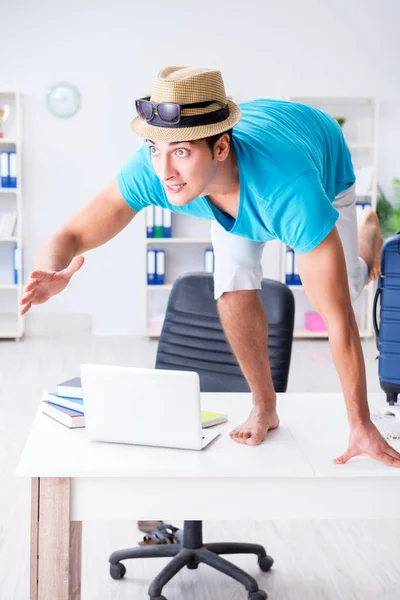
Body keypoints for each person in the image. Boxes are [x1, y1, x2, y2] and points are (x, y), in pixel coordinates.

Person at [20, 65, 400, 470]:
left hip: (320, 161)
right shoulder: (156, 169)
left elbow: (339, 321)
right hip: (233, 183)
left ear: (220, 148)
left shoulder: (292, 191)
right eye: (155, 148)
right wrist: (50, 270)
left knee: (346, 290)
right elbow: (73, 233)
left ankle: (367, 230)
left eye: (181, 152)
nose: (164, 171)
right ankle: (264, 406)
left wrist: (359, 423)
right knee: (232, 284)